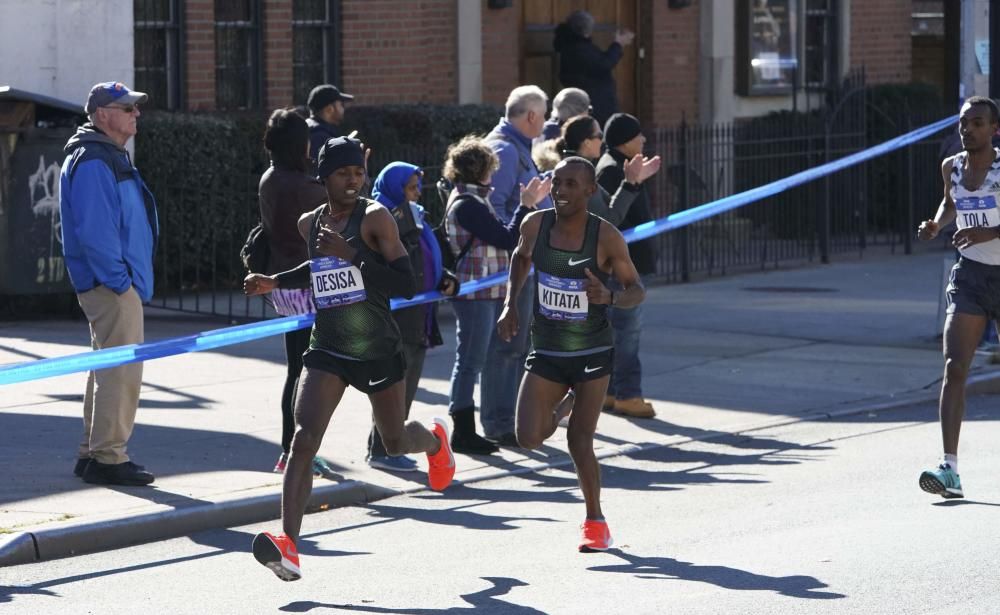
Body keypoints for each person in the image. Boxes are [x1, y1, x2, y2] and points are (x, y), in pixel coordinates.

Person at [244, 137, 455, 581]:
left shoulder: (376, 218)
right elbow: (318, 269)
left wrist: (353, 255)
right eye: (344, 173)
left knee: (393, 441)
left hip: (377, 347)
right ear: (323, 179)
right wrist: (274, 281)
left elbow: (406, 283)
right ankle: (288, 544)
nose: (354, 180)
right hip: (329, 345)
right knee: (304, 438)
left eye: (358, 172)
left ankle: (436, 441)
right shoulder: (310, 222)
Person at [497, 157, 645, 551]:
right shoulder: (536, 224)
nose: (560, 190)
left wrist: (610, 295)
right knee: (527, 437)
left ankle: (595, 521)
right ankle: (565, 405)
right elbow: (521, 257)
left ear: (590, 190)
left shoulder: (605, 237)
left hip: (592, 350)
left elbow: (637, 290)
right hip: (547, 347)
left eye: (571, 184)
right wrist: (510, 303)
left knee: (580, 441)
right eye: (557, 182)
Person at [60, 82, 158, 486]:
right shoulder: (95, 160)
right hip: (112, 286)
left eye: (136, 108)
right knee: (121, 372)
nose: (136, 114)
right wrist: (122, 284)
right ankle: (109, 458)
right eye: (127, 108)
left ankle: (93, 452)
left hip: (111, 285)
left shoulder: (102, 155)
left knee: (106, 369)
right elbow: (96, 233)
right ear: (103, 115)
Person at [916, 96, 1000, 499]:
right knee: (954, 366)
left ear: (994, 129)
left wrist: (990, 233)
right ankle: (949, 467)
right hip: (970, 276)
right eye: (964, 123)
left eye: (978, 123)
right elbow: (951, 204)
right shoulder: (952, 166)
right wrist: (936, 224)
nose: (968, 130)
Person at [443, 137, 549, 454]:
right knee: (470, 362)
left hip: (489, 291)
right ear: (481, 171)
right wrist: (527, 204)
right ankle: (463, 431)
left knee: (479, 359)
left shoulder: (476, 199)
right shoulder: (467, 205)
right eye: (490, 168)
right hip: (476, 296)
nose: (493, 175)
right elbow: (506, 237)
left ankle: (483, 427)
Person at [366, 162, 459, 471]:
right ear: (395, 189)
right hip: (395, 319)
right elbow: (395, 261)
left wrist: (445, 277)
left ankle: (390, 448)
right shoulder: (381, 218)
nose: (417, 193)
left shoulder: (413, 217)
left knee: (406, 386)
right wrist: (404, 217)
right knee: (392, 390)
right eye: (411, 188)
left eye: (418, 187)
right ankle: (382, 450)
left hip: (417, 316)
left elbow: (426, 258)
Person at [258, 108, 335, 476]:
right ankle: (298, 452)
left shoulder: (271, 178)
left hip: (284, 285)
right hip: (305, 285)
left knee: (298, 370)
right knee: (311, 374)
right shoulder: (301, 186)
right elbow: (341, 209)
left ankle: (291, 451)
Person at [481, 85, 554, 446]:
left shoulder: (516, 149)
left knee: (518, 346)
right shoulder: (505, 152)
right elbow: (494, 212)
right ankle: (497, 423)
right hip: (512, 267)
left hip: (525, 263)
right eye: (543, 115)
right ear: (530, 116)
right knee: (506, 346)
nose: (545, 123)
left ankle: (510, 419)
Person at [596, 113, 658, 418]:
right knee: (627, 331)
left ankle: (609, 392)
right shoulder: (611, 170)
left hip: (629, 261)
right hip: (624, 266)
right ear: (623, 140)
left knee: (618, 330)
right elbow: (612, 219)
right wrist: (632, 182)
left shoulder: (621, 166)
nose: (643, 139)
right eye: (637, 134)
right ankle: (628, 394)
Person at [536, 114, 661, 227]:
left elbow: (609, 206)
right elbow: (607, 220)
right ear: (587, 143)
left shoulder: (578, 168)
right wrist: (629, 183)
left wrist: (635, 181)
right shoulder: (577, 173)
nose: (603, 141)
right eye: (599, 136)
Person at [553, 10, 634, 126]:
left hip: (588, 100)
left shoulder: (572, 45)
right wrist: (618, 44)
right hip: (595, 103)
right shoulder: (579, 48)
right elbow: (604, 63)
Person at [306, 84, 354, 169]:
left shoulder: (305, 129)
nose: (343, 109)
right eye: (341, 105)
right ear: (329, 109)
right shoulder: (321, 138)